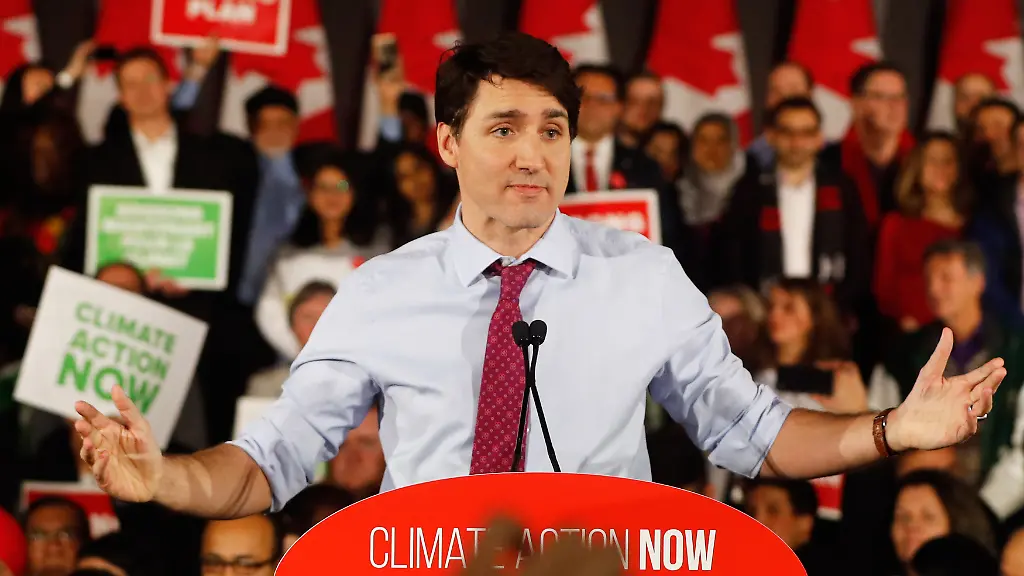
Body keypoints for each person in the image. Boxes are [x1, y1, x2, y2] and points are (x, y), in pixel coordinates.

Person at [73, 32, 1005, 525]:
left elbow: (753, 434)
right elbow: (270, 462)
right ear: (447, 144)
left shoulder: (643, 276)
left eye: (552, 129)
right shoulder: (380, 291)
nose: (533, 153)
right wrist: (164, 480)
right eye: (504, 128)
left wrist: (891, 429)